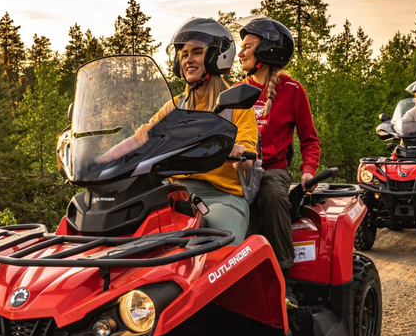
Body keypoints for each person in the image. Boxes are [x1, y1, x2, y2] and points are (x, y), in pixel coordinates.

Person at [98, 18, 258, 245]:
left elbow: (247, 159)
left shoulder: (236, 105)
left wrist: (238, 153)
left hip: (221, 198)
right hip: (176, 196)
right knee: (134, 243)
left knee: (219, 250)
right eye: (184, 54)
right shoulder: (176, 107)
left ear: (215, 58)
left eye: (197, 52)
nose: (189, 60)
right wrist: (98, 162)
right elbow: (139, 139)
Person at [236, 17, 320, 309]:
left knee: (272, 194)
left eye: (247, 46)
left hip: (273, 168)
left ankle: (284, 280)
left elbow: (309, 140)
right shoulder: (236, 91)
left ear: (267, 50)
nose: (240, 52)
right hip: (239, 170)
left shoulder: (293, 91)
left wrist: (308, 172)